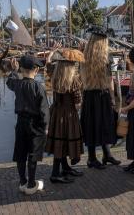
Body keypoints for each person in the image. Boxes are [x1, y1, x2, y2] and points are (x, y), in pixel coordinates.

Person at [6, 55, 49, 195]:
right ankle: (31, 184)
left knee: (20, 152)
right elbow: (44, 110)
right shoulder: (38, 87)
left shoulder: (18, 84)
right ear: (36, 70)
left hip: (20, 123)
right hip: (35, 124)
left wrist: (14, 70)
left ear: (22, 69)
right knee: (33, 154)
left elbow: (10, 81)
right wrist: (46, 127)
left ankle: (22, 181)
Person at [80, 26, 121, 169]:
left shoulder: (84, 56)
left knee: (92, 125)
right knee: (105, 124)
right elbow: (110, 81)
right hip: (102, 95)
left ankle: (100, 156)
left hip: (89, 95)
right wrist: (114, 99)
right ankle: (98, 157)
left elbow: (82, 78)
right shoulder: (106, 57)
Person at [45, 48, 85, 184]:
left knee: (59, 141)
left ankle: (65, 168)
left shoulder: (54, 74)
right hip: (68, 115)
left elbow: (48, 63)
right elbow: (78, 103)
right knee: (62, 143)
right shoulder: (74, 80)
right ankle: (55, 174)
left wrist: (52, 51)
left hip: (56, 112)